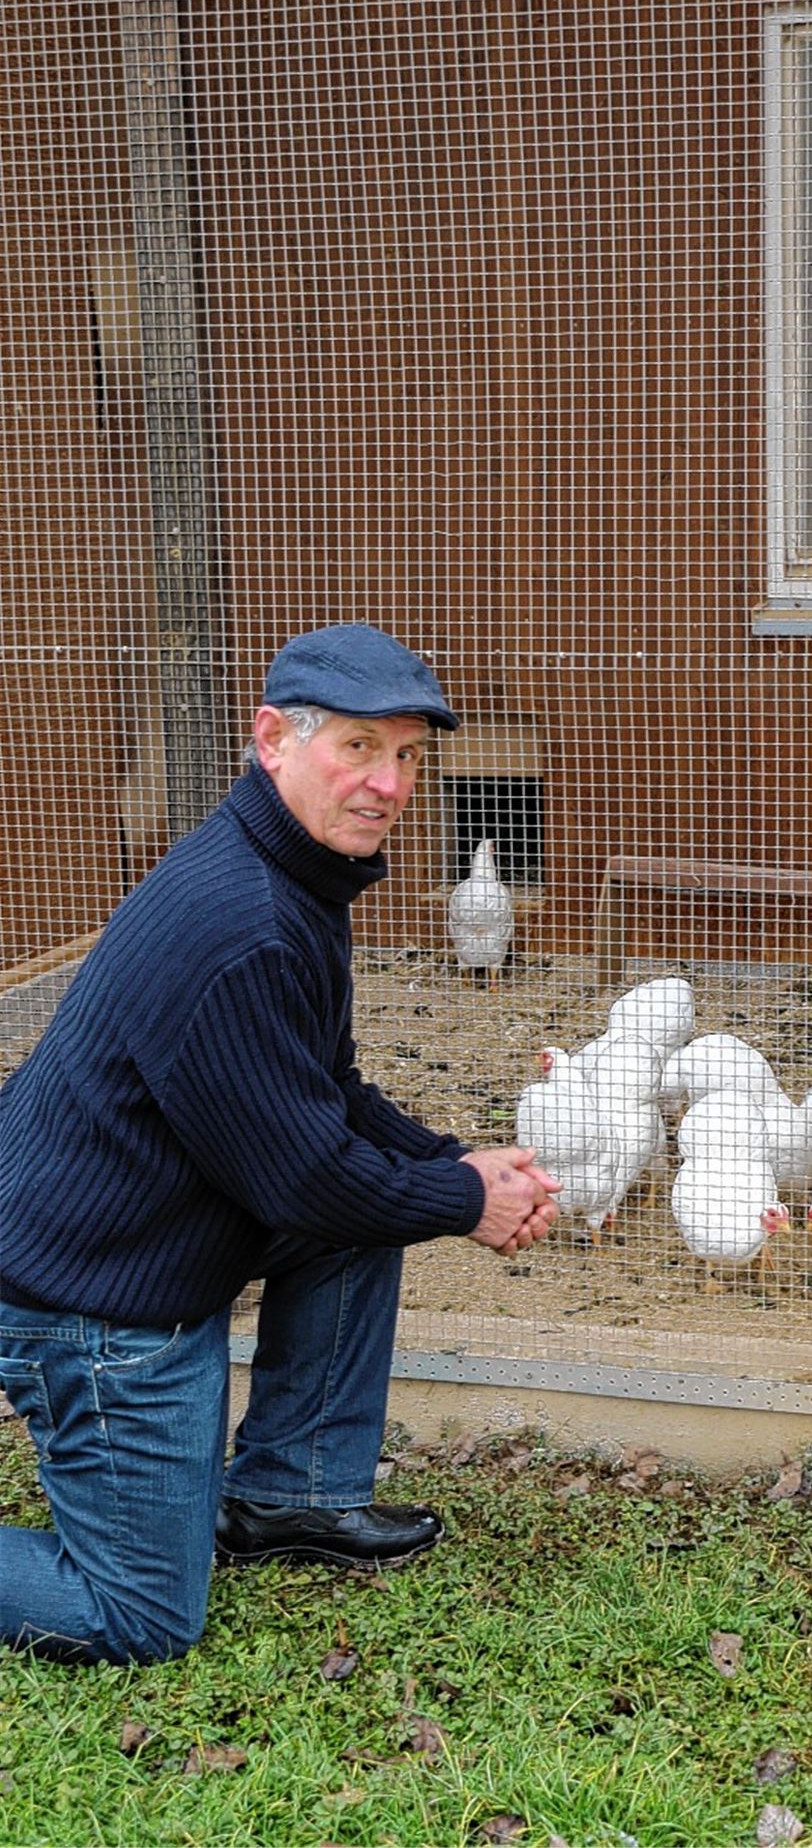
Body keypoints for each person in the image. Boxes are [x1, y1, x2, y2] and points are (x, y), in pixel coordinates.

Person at [0, 624, 559, 1665]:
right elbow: (306, 1177)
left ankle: (287, 1497)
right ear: (273, 739)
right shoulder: (244, 922)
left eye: (406, 756)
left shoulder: (292, 871)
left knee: (373, 1209)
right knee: (138, 1617)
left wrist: (449, 1165)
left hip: (129, 1221)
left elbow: (327, 1091)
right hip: (93, 1299)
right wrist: (463, 1201)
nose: (389, 782)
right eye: (358, 747)